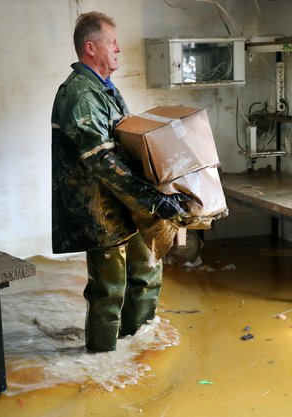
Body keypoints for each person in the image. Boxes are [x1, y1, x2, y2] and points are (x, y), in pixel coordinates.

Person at [51, 11, 190, 352]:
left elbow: (127, 142)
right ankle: (102, 363)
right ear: (90, 47)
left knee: (145, 277)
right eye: (111, 43)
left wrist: (155, 192)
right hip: (100, 211)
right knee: (109, 290)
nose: (118, 49)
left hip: (126, 205)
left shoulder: (105, 89)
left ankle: (138, 351)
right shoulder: (80, 94)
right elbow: (101, 160)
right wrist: (152, 199)